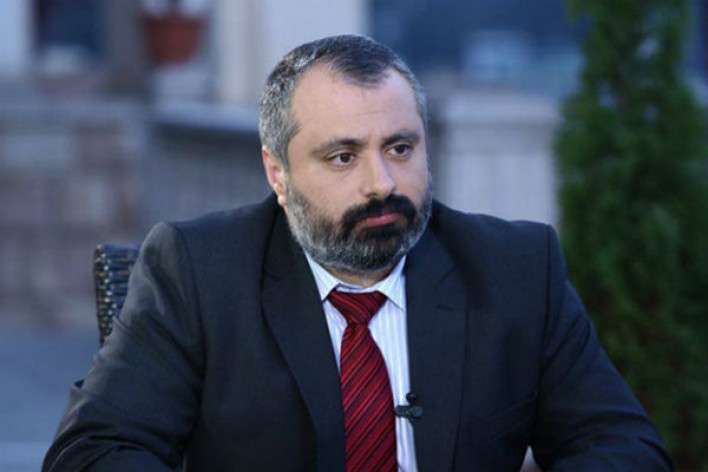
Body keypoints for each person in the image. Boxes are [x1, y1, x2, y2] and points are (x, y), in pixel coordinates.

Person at [43, 35, 672, 471]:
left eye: (400, 148)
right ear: (277, 173)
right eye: (343, 157)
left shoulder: (516, 269)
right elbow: (93, 452)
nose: (382, 183)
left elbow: (624, 446)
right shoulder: (197, 270)